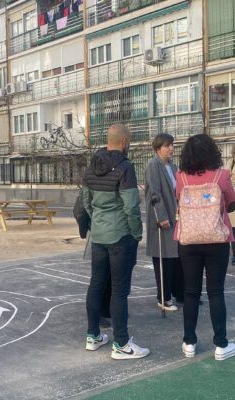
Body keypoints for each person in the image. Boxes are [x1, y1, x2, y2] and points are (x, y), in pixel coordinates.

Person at [82, 123, 149, 359]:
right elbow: (131, 206)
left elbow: (86, 202)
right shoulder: (125, 167)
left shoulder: (91, 167)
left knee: (96, 283)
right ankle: (121, 344)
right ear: (124, 141)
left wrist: (97, 223)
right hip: (120, 236)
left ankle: (93, 336)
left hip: (99, 236)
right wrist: (136, 233)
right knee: (119, 290)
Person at [175, 134, 235, 361]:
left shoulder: (180, 177)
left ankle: (189, 342)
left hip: (189, 240)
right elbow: (231, 204)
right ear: (213, 152)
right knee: (215, 292)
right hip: (217, 240)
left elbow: (178, 202)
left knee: (190, 292)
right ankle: (221, 343)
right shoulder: (222, 176)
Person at [144, 133, 183, 311]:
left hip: (176, 216)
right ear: (158, 148)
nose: (171, 148)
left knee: (176, 257)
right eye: (167, 146)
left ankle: (179, 293)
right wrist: (162, 217)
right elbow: (154, 193)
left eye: (172, 145)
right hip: (163, 217)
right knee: (163, 257)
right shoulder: (154, 165)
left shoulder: (173, 166)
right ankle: (163, 297)